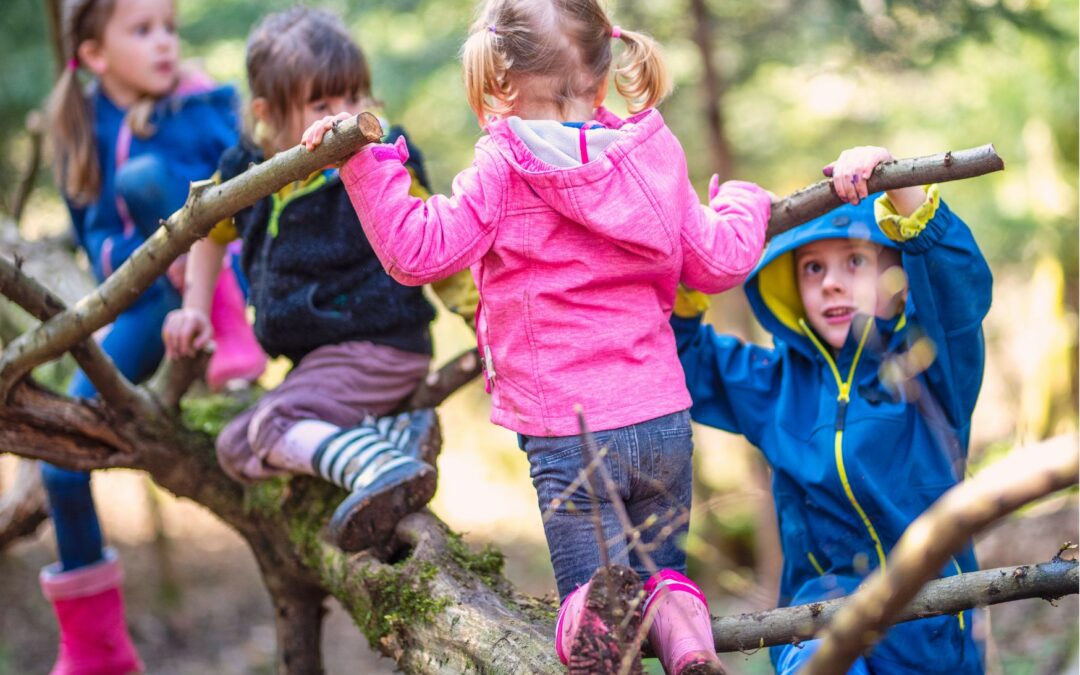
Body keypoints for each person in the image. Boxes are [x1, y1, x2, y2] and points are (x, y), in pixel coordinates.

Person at [301, 1, 771, 671]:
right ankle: (685, 638)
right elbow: (718, 260)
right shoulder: (652, 153)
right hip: (663, 417)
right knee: (660, 572)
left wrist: (364, 164)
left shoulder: (504, 163)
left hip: (570, 430)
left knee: (595, 598)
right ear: (603, 76)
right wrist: (744, 203)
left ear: (501, 84)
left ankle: (593, 630)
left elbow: (419, 250)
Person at [162, 7, 478, 555]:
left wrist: (483, 316)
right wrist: (194, 306)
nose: (343, 118)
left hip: (378, 345)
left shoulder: (382, 160)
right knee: (235, 447)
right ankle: (388, 440)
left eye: (354, 98)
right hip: (323, 364)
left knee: (270, 427)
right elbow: (207, 230)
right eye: (321, 105)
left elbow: (434, 245)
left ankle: (381, 465)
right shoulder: (247, 169)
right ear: (267, 115)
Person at [673, 146, 991, 674]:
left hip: (931, 633)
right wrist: (699, 258)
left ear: (897, 275)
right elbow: (683, 358)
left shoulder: (929, 367)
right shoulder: (777, 384)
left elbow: (957, 288)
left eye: (855, 261)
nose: (832, 283)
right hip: (820, 625)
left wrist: (895, 178)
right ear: (791, 287)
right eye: (813, 268)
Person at [39, 0, 262, 671]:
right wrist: (140, 254)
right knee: (60, 461)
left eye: (169, 27)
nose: (165, 43)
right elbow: (95, 241)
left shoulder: (196, 105)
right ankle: (95, 646)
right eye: (142, 31)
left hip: (225, 284)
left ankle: (220, 325)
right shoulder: (80, 126)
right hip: (141, 306)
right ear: (96, 54)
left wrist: (206, 105)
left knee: (150, 178)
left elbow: (242, 192)